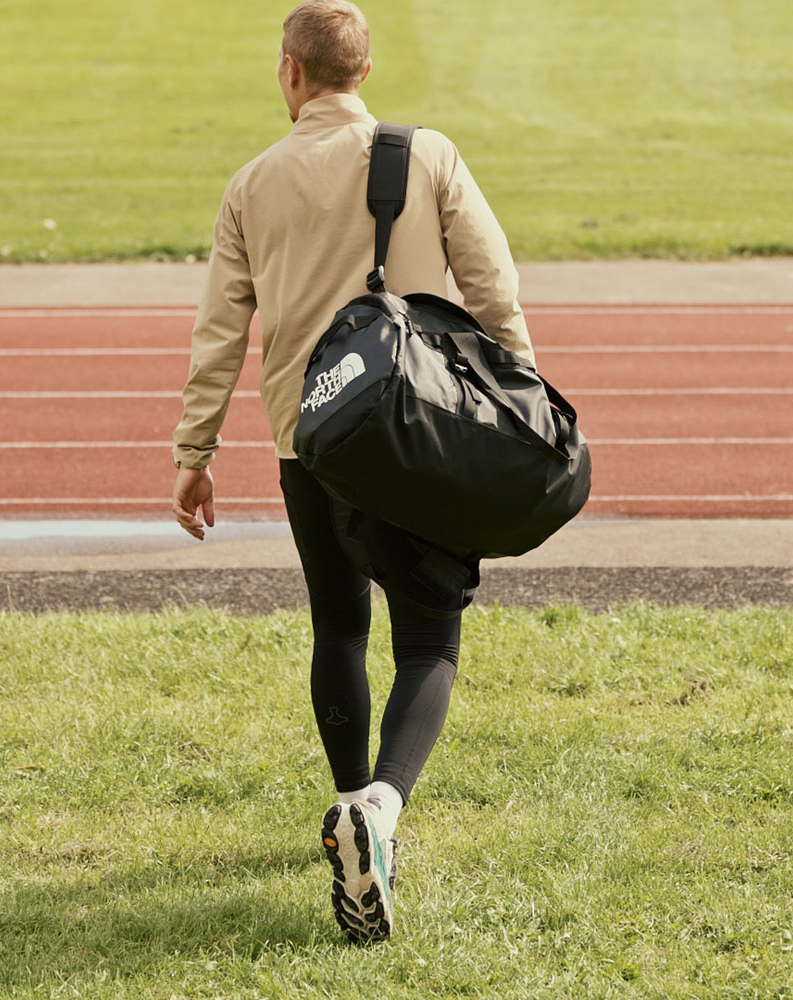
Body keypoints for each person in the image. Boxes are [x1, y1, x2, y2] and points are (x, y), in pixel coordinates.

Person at [169, 0, 533, 944]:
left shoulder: (251, 183)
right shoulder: (428, 155)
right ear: (363, 72)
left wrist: (194, 454)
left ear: (290, 71)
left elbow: (221, 334)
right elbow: (491, 283)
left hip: (310, 444)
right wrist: (523, 387)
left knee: (339, 624)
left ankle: (348, 814)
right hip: (422, 440)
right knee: (428, 643)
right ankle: (381, 809)